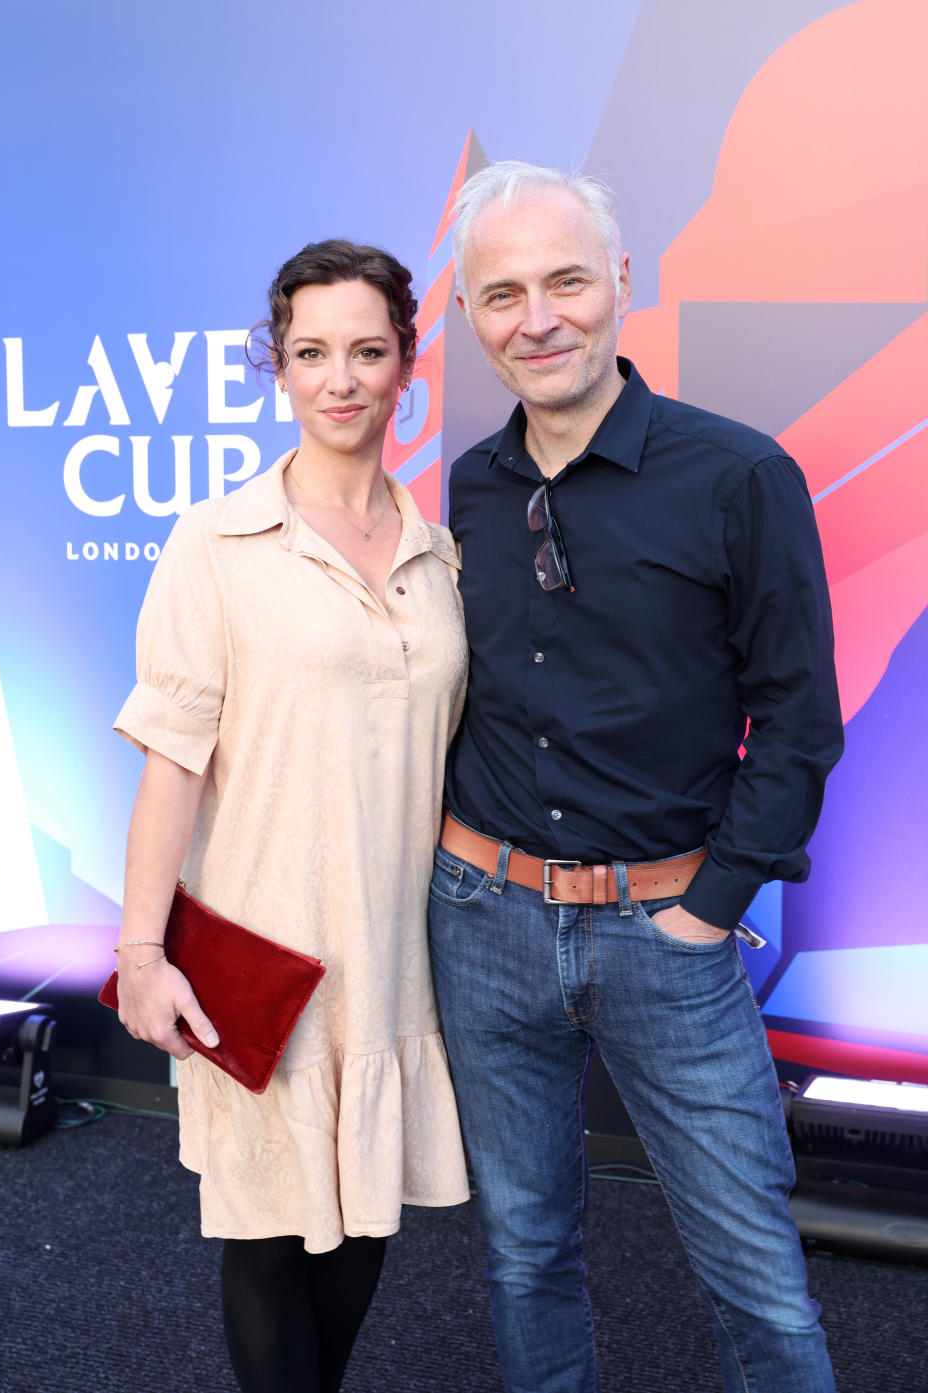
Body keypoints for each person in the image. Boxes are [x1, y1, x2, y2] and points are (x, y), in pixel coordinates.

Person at [428, 162, 844, 1393]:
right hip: (482, 921)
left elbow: (800, 720)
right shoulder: (469, 488)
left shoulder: (739, 476)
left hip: (669, 934)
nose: (538, 318)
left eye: (565, 280)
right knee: (522, 1255)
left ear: (622, 280)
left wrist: (707, 906)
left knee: (759, 1279)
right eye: (502, 294)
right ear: (466, 317)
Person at [113, 239, 469, 1393]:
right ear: (279, 365)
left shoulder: (440, 554)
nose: (342, 379)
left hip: (395, 960)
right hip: (260, 953)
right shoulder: (215, 544)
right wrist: (142, 951)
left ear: (407, 365)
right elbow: (171, 764)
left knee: (364, 1228)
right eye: (312, 353)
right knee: (267, 1238)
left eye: (369, 351)